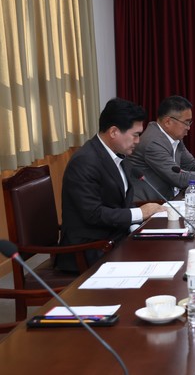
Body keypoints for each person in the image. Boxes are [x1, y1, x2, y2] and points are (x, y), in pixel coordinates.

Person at [58, 98, 165, 271]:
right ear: (114, 132)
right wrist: (140, 213)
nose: (138, 141)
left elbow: (122, 203)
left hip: (116, 238)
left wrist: (137, 228)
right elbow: (93, 214)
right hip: (89, 249)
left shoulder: (119, 155)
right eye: (135, 135)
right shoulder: (84, 161)